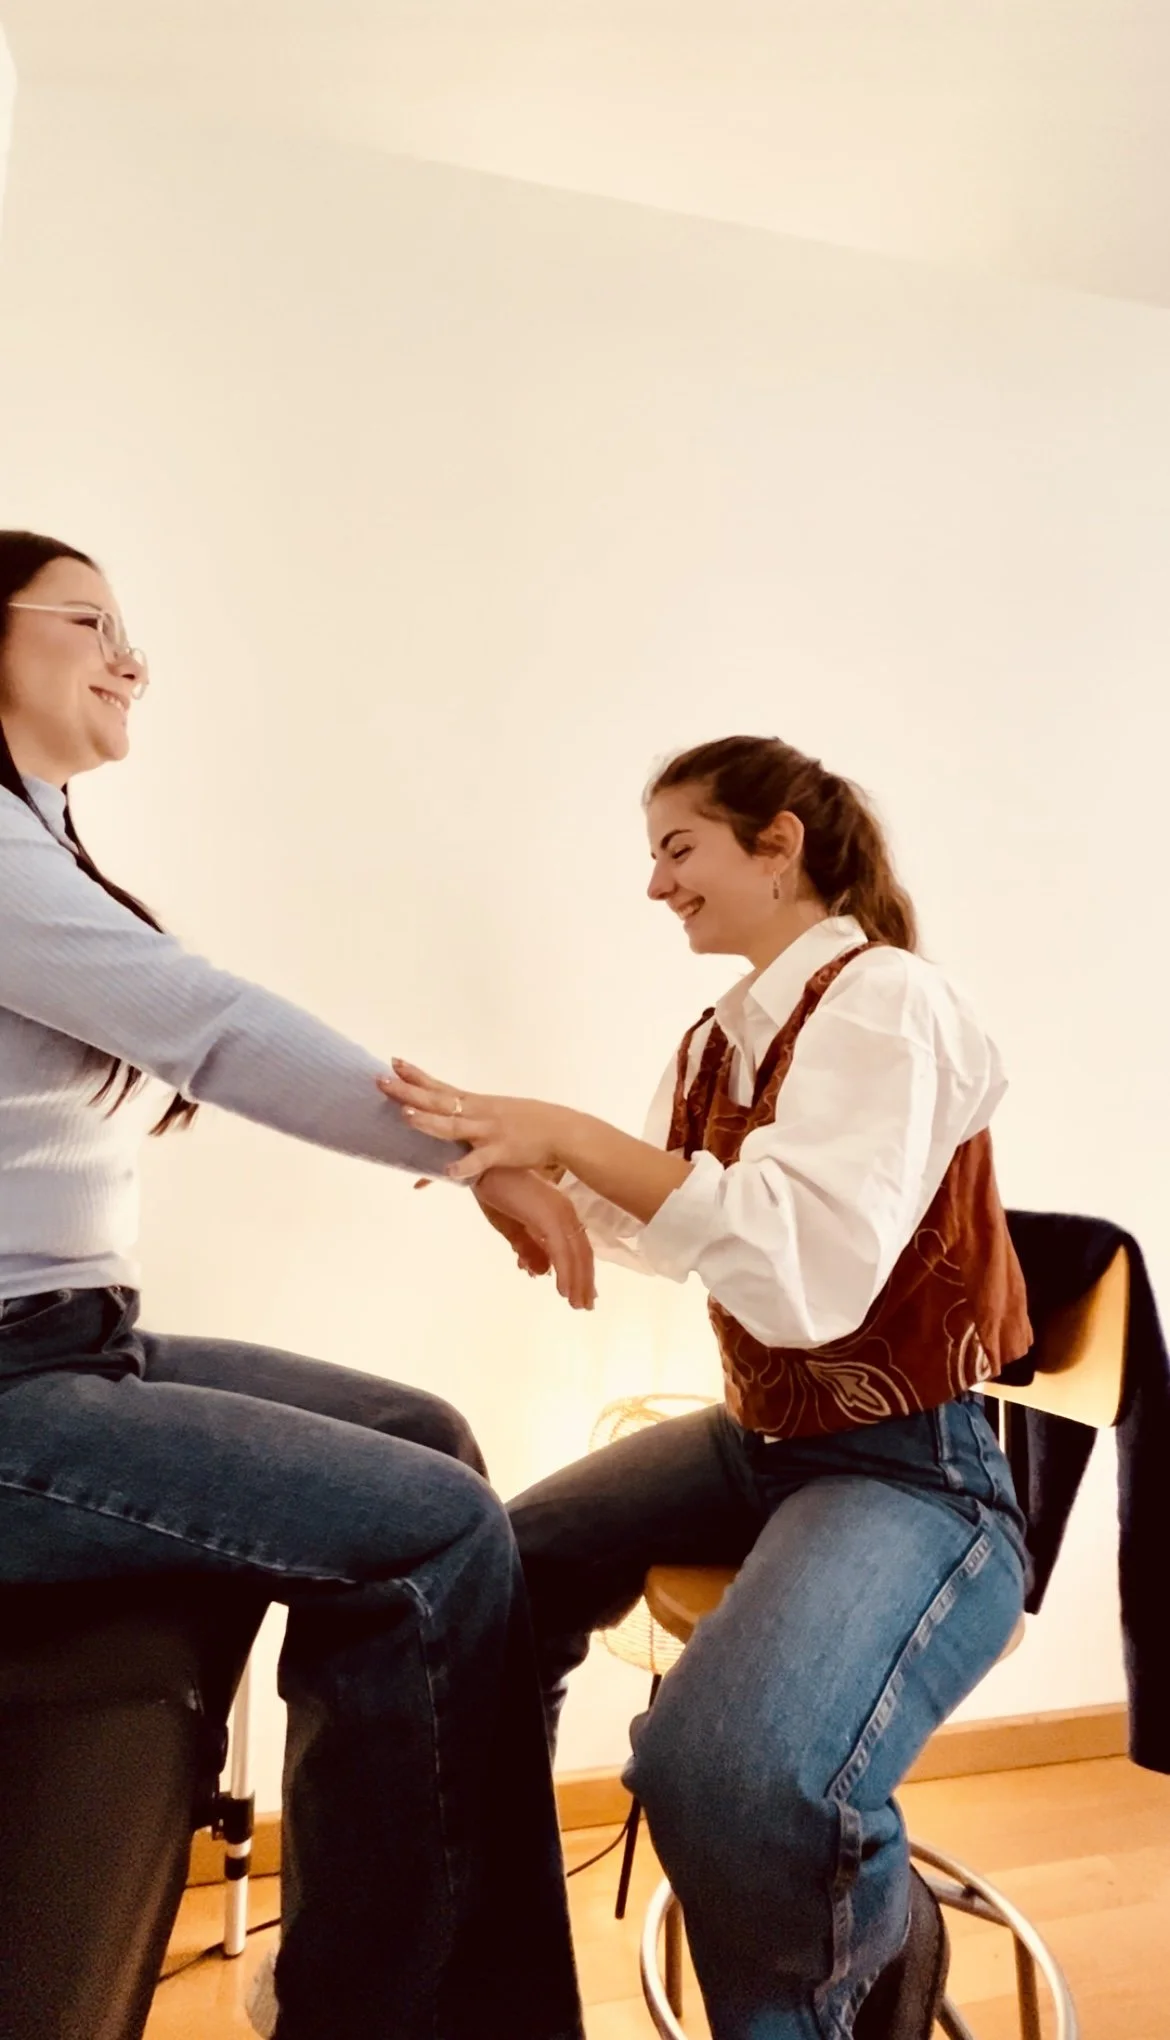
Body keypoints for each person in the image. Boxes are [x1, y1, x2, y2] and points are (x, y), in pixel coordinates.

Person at [0, 530, 594, 2040]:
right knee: (429, 1534)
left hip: (71, 1347)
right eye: (91, 620)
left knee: (426, 1437)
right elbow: (214, 1028)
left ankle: (361, 1972)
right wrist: (485, 1157)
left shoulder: (40, 838)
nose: (131, 654)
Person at [382, 734, 1032, 2040]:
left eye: (677, 848)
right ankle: (481, 1990)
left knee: (725, 1773)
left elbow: (806, 1275)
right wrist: (520, 1177)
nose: (654, 885)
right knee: (472, 1583)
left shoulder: (887, 1003)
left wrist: (567, 1135)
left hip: (914, 1469)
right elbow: (673, 1217)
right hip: (761, 1446)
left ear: (777, 843)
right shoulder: (714, 1040)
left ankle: (865, 1975)